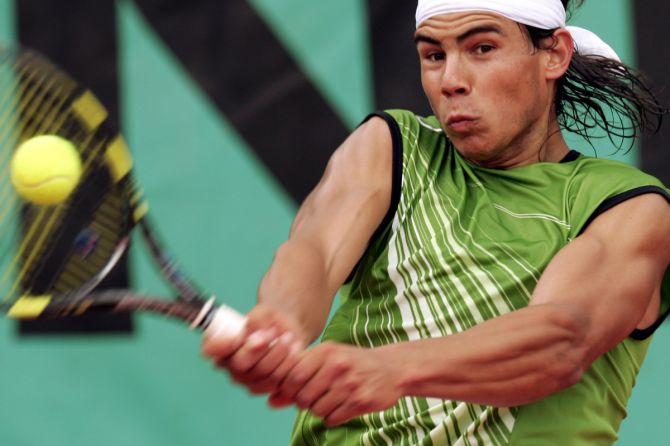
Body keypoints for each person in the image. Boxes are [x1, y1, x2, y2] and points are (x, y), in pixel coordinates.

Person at [202, 0, 670, 444]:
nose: (451, 80)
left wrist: (395, 369)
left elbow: (560, 340)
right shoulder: (390, 148)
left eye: (482, 49)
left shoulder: (627, 206)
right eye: (432, 54)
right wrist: (281, 323)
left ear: (554, 55)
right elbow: (315, 252)